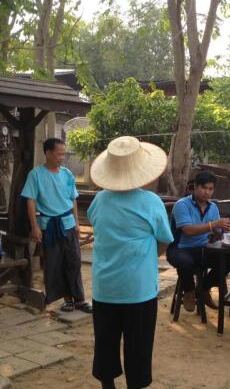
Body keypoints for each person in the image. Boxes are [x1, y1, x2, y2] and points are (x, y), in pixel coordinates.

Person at [87, 136, 174, 389]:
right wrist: (145, 256)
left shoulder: (99, 200)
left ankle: (108, 386)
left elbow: (99, 228)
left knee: (105, 342)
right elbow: (164, 240)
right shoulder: (151, 202)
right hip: (138, 290)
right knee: (139, 345)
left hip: (105, 288)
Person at [21, 138, 91, 313]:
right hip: (48, 226)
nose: (62, 157)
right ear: (48, 153)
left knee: (74, 261)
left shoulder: (67, 173)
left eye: (63, 154)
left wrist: (76, 222)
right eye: (59, 154)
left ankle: (80, 299)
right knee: (55, 263)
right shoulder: (35, 174)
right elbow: (30, 201)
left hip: (68, 223)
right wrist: (35, 226)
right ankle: (67, 300)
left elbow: (73, 199)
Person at [166, 170, 230, 311]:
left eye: (210, 189)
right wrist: (213, 225)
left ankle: (202, 288)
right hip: (180, 249)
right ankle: (189, 291)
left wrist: (222, 229)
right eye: (204, 188)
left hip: (203, 248)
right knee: (186, 261)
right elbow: (188, 230)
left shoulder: (213, 207)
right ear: (195, 187)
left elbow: (216, 231)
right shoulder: (182, 205)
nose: (207, 192)